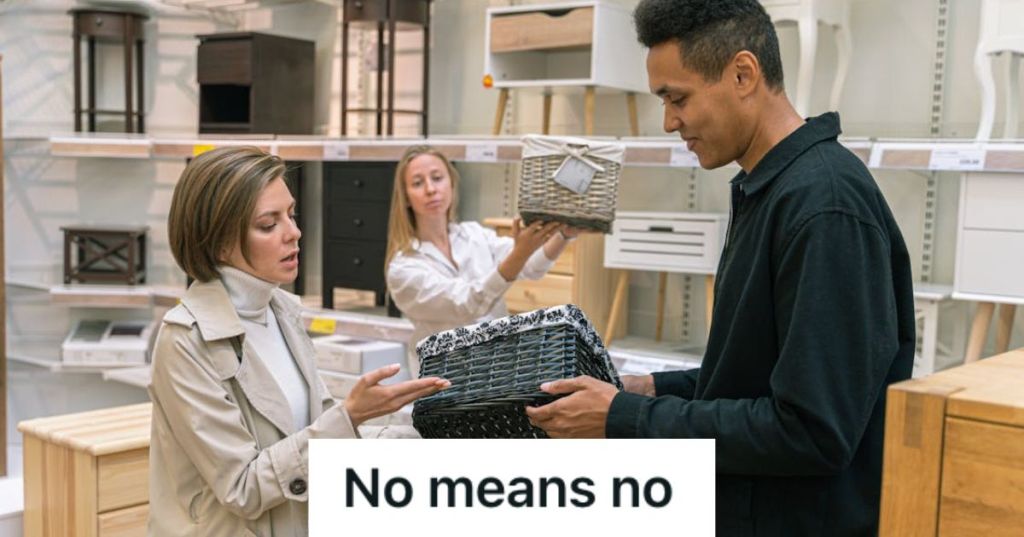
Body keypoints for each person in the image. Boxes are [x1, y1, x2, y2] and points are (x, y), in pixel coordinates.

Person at [525, 1, 916, 535]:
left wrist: (624, 418)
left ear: (742, 74)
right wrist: (652, 390)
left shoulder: (823, 206)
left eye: (677, 98)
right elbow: (761, 374)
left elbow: (812, 430)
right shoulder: (772, 189)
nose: (668, 122)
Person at [148, 146, 450, 537]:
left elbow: (318, 435)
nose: (294, 232)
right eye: (268, 224)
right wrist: (351, 416)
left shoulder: (282, 311)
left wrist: (430, 431)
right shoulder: (184, 341)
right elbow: (242, 488)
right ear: (220, 241)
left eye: (290, 214)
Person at [385, 145, 581, 376]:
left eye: (437, 178)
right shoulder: (403, 268)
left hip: (498, 368)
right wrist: (518, 254)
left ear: (451, 184)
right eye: (418, 183)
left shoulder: (475, 235)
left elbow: (532, 266)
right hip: (445, 380)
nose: (430, 189)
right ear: (406, 196)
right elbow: (468, 305)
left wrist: (565, 233)